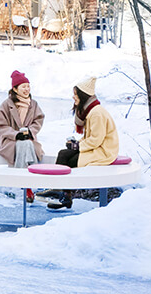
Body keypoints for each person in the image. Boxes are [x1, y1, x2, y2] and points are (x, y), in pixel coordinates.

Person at [46, 77, 119, 210]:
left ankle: (63, 195)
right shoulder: (90, 110)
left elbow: (96, 139)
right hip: (96, 147)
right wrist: (76, 143)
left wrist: (78, 146)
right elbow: (90, 138)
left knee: (72, 160)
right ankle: (60, 191)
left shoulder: (96, 113)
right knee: (63, 153)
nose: (73, 97)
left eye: (75, 94)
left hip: (104, 151)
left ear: (82, 96)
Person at [0, 70, 46, 202]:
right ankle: (29, 184)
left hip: (29, 138)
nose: (27, 89)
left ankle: (23, 181)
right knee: (25, 144)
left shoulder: (33, 104)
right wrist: (16, 135)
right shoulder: (6, 105)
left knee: (27, 143)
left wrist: (30, 132)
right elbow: (0, 126)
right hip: (10, 142)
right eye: (23, 86)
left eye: (28, 86)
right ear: (15, 89)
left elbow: (38, 120)